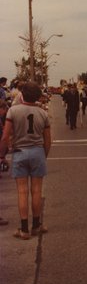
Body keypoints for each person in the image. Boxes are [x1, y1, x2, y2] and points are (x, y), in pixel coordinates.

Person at [0, 82, 51, 240]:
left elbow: (5, 136)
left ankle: (24, 229)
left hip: (20, 152)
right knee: (36, 190)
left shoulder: (13, 111)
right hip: (37, 151)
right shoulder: (43, 113)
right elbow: (48, 139)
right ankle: (36, 225)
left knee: (22, 191)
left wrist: (2, 155)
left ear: (22, 94)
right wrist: (44, 154)